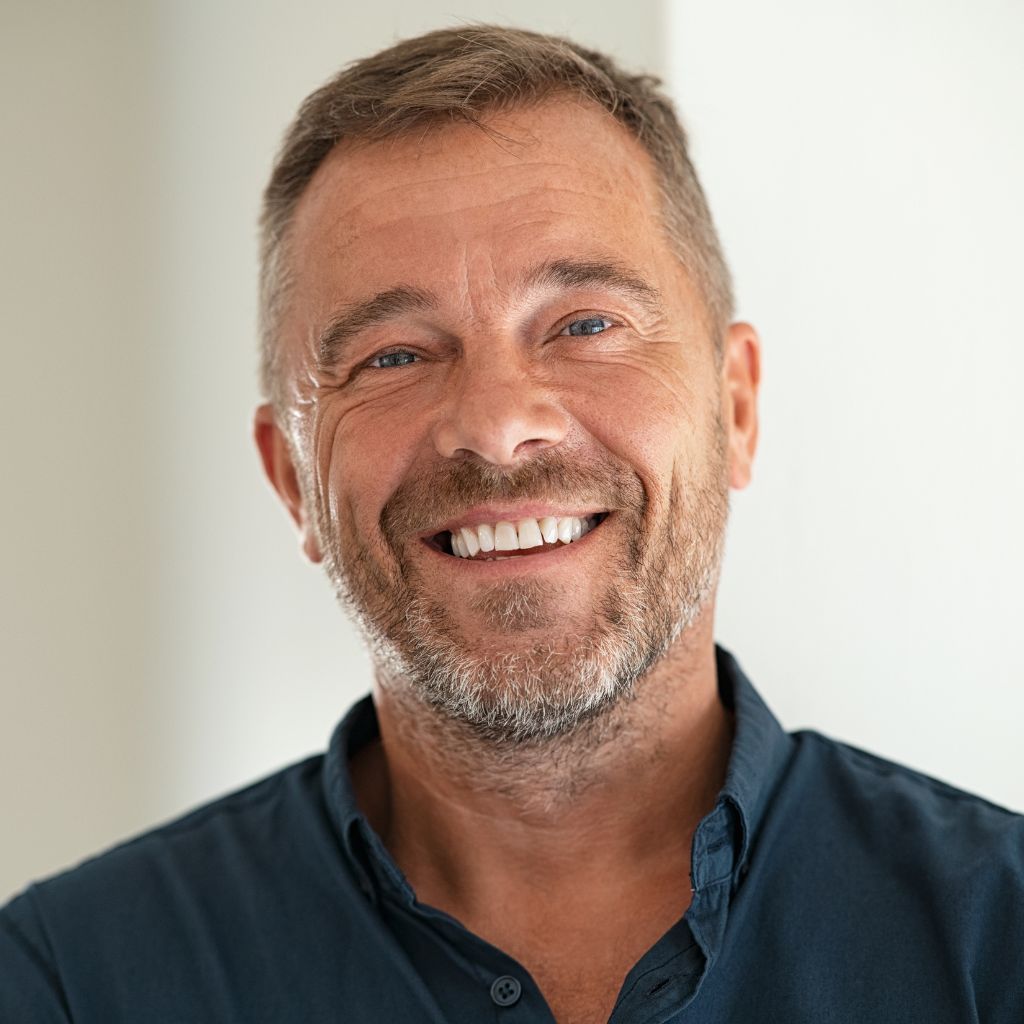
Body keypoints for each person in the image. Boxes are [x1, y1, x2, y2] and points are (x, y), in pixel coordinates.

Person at [2, 24, 1021, 1024]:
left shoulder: (998, 941)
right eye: (393, 355)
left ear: (736, 407)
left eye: (584, 326)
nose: (494, 427)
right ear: (292, 481)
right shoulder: (69, 983)